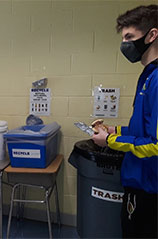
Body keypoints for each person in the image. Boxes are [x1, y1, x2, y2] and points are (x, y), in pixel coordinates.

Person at [92, 5, 158, 238]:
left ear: (152, 35)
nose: (125, 45)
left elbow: (156, 145)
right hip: (138, 181)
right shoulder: (148, 75)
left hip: (150, 185)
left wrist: (110, 140)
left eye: (129, 37)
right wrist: (115, 130)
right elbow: (144, 128)